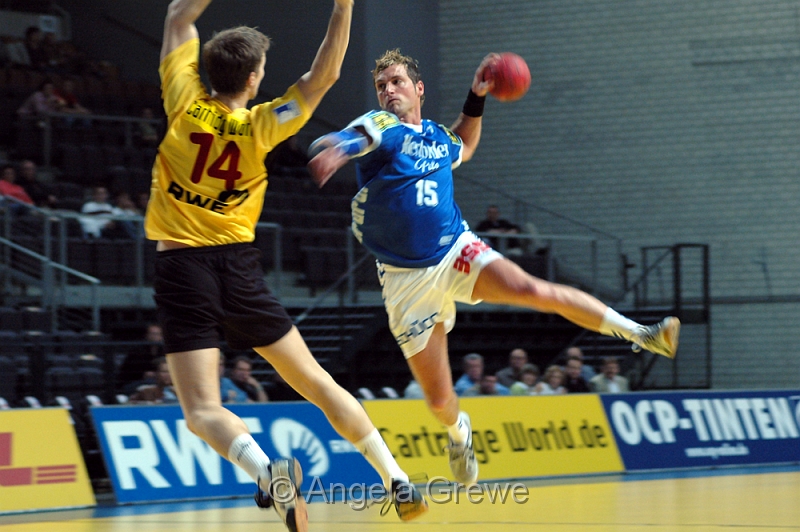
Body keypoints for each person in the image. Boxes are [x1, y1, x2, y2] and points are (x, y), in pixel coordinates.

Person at [307, 48, 680, 488]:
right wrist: (335, 148)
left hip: (455, 249)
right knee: (440, 401)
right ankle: (458, 432)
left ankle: (642, 334)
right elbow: (357, 137)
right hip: (406, 281)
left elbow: (465, 144)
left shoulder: (438, 138)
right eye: (381, 85)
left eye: (397, 82)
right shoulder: (383, 126)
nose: (389, 90)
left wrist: (477, 96)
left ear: (419, 89)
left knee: (534, 289)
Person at [144, 1, 425, 529]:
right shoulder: (262, 124)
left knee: (203, 411)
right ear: (253, 79)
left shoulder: (182, 99)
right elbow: (326, 75)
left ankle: (266, 471)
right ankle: (397, 479)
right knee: (316, 381)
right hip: (238, 268)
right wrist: (343, 7)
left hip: (182, 269)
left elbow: (179, 17)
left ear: (209, 68)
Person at [116, 323, 166, 394]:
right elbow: (129, 371)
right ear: (147, 335)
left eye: (158, 334)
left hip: (158, 382)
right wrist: (144, 374)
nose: (155, 336)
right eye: (153, 334)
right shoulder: (137, 351)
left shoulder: (164, 351)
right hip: (136, 381)